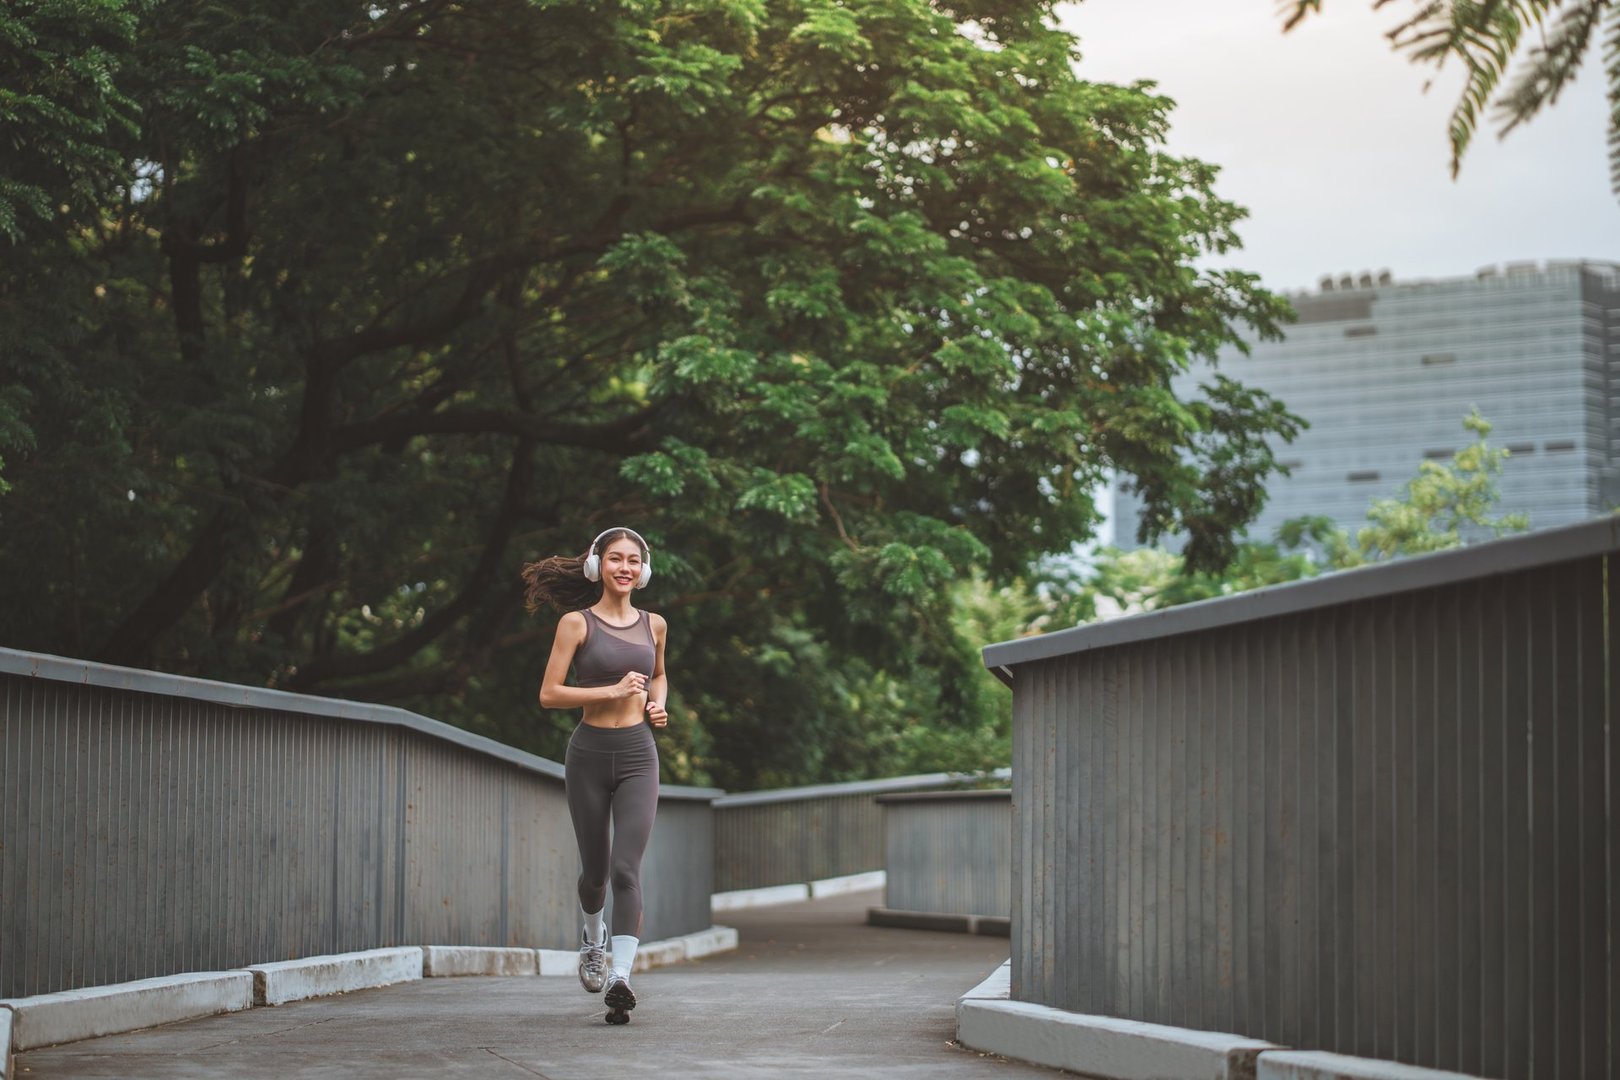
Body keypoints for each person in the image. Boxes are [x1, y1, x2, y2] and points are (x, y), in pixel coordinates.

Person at [523, 527, 668, 1023]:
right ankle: (592, 938)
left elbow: (660, 675)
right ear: (596, 565)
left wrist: (657, 703)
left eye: (633, 560)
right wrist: (611, 691)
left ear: (643, 571)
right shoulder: (575, 624)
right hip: (588, 755)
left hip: (638, 756)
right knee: (596, 874)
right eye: (615, 559)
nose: (625, 568)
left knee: (627, 870)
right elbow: (549, 693)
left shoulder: (655, 625)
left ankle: (620, 977)